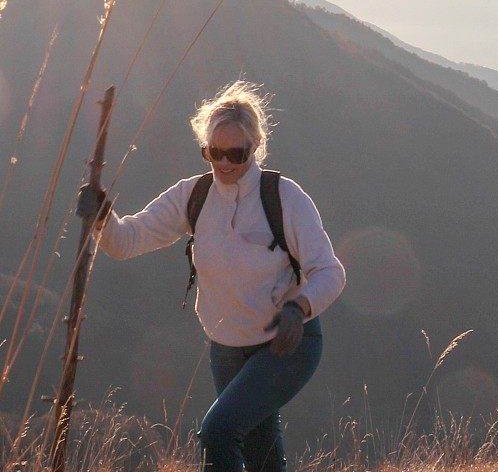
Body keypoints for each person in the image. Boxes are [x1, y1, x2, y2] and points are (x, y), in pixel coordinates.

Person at [94, 80, 346, 472]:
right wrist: (101, 217)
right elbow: (126, 241)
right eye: (214, 153)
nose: (224, 163)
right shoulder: (193, 195)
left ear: (255, 148)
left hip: (287, 344)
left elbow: (330, 272)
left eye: (236, 153)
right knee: (261, 454)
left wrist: (299, 307)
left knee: (217, 432)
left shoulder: (284, 197)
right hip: (226, 350)